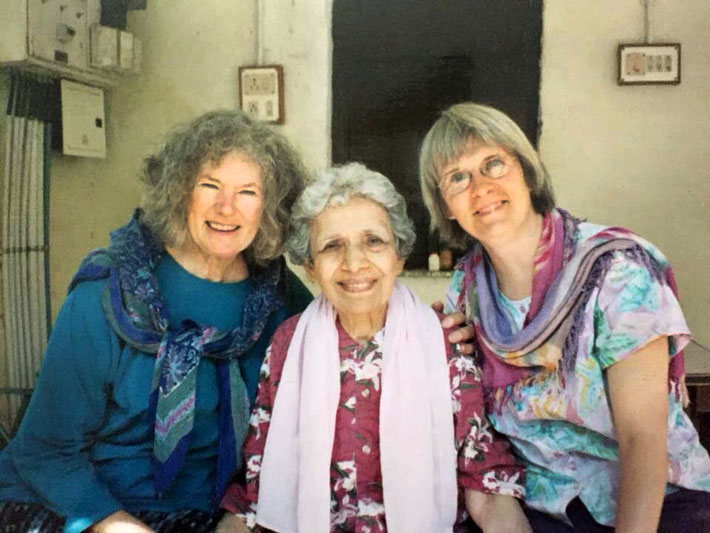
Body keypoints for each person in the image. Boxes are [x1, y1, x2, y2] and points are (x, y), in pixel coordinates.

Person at [0, 109, 314, 533]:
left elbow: (295, 436)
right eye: (210, 185)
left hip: (218, 514)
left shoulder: (282, 299)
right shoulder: (110, 288)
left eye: (248, 191)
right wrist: (114, 524)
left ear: (269, 206)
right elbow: (45, 450)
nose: (226, 207)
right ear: (180, 192)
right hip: (89, 507)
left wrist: (240, 517)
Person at [419, 102, 710, 532]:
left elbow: (643, 440)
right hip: (543, 506)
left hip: (656, 505)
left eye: (493, 164)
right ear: (446, 205)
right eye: (457, 177)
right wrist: (433, 342)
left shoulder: (615, 271)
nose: (480, 187)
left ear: (527, 171)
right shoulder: (466, 290)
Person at [217, 162, 531, 533]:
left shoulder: (443, 342)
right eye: (332, 246)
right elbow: (258, 487)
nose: (354, 263)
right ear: (311, 269)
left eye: (374, 241)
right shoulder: (289, 344)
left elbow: (487, 486)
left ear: (399, 256)